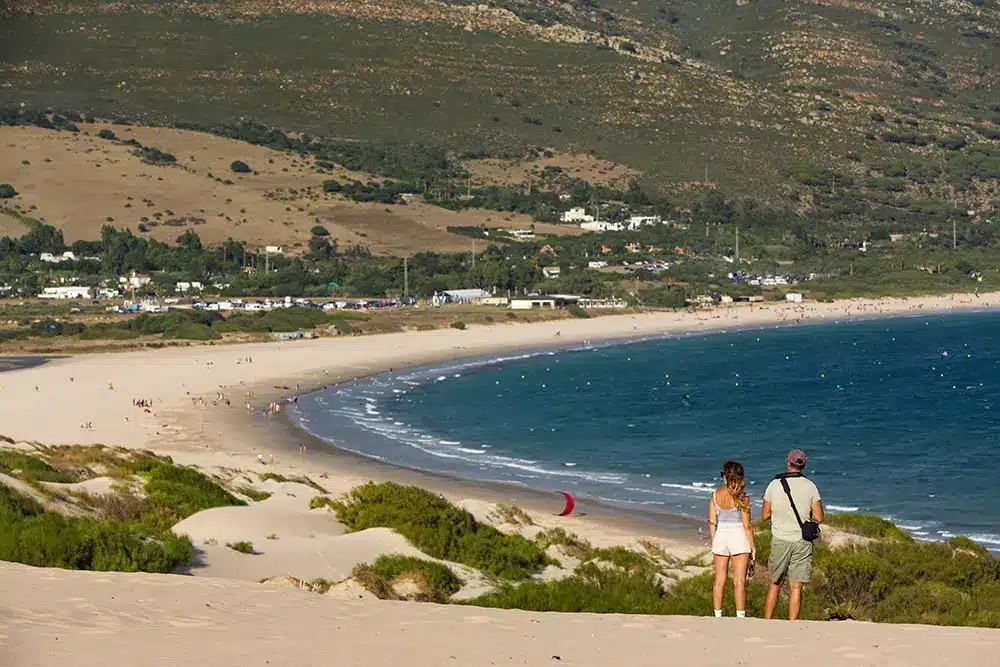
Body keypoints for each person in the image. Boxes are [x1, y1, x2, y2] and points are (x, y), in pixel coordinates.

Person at [761, 449, 824, 621]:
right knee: (796, 587)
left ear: (788, 463)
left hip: (780, 539)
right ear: (803, 466)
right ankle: (793, 626)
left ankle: (767, 622)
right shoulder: (810, 486)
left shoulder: (774, 485)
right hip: (802, 541)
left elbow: (765, 515)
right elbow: (819, 517)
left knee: (775, 584)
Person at [708, 460, 755, 618]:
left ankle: (717, 615)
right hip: (738, 537)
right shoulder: (743, 498)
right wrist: (753, 547)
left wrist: (716, 539)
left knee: (719, 580)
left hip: (721, 535)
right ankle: (740, 617)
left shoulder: (715, 495)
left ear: (725, 476)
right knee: (739, 581)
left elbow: (712, 523)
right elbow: (747, 526)